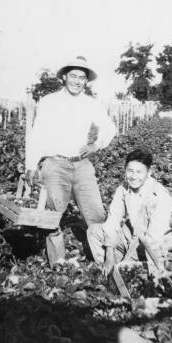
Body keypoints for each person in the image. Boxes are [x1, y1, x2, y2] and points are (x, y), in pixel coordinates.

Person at [26, 56, 116, 265]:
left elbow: (109, 127)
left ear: (86, 81)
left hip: (82, 165)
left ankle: (105, 263)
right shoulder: (49, 102)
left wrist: (96, 145)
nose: (77, 81)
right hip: (55, 164)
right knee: (53, 217)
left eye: (82, 77)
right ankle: (59, 266)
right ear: (64, 77)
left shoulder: (91, 104)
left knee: (96, 213)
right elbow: (37, 134)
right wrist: (31, 165)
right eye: (73, 75)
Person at [87, 148, 172, 282]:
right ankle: (108, 272)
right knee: (94, 231)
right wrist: (109, 255)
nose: (134, 176)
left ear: (149, 173)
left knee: (132, 275)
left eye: (139, 172)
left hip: (152, 245)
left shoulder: (160, 197)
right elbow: (113, 220)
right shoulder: (123, 190)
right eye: (130, 171)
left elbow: (154, 239)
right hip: (132, 235)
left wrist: (155, 269)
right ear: (125, 170)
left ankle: (124, 272)